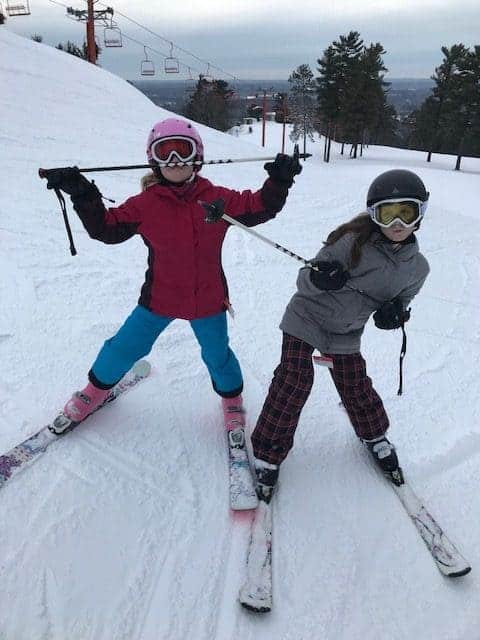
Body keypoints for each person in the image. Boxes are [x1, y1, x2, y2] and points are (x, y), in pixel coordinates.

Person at [43, 117, 302, 431]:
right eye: (165, 153)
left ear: (197, 157)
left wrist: (279, 181)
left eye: (183, 151)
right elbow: (106, 228)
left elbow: (261, 206)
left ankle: (232, 401)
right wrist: (82, 194)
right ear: (154, 161)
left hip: (207, 300)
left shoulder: (217, 198)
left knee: (217, 355)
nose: (175, 161)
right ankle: (92, 393)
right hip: (159, 298)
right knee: (123, 347)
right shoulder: (146, 205)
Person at [250, 169, 430, 502]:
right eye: (387, 213)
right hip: (306, 317)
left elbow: (401, 303)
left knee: (355, 384)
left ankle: (375, 436)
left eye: (406, 212)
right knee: (295, 379)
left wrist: (394, 315)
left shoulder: (417, 269)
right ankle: (267, 451)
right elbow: (304, 278)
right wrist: (320, 279)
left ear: (420, 214)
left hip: (345, 331)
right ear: (374, 215)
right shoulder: (351, 243)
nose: (397, 223)